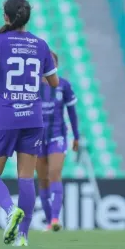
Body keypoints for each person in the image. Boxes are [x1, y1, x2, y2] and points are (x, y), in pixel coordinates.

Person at [0, 0, 59, 247]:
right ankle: (23, 237)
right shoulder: (41, 45)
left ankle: (9, 210)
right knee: (26, 178)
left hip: (5, 117)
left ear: (5, 17)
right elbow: (54, 83)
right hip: (33, 118)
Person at [36, 51, 79, 232]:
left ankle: (55, 219)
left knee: (54, 173)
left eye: (51, 62)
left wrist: (76, 136)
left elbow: (72, 112)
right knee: (43, 180)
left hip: (57, 135)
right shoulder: (32, 86)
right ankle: (49, 220)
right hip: (36, 139)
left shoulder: (64, 85)